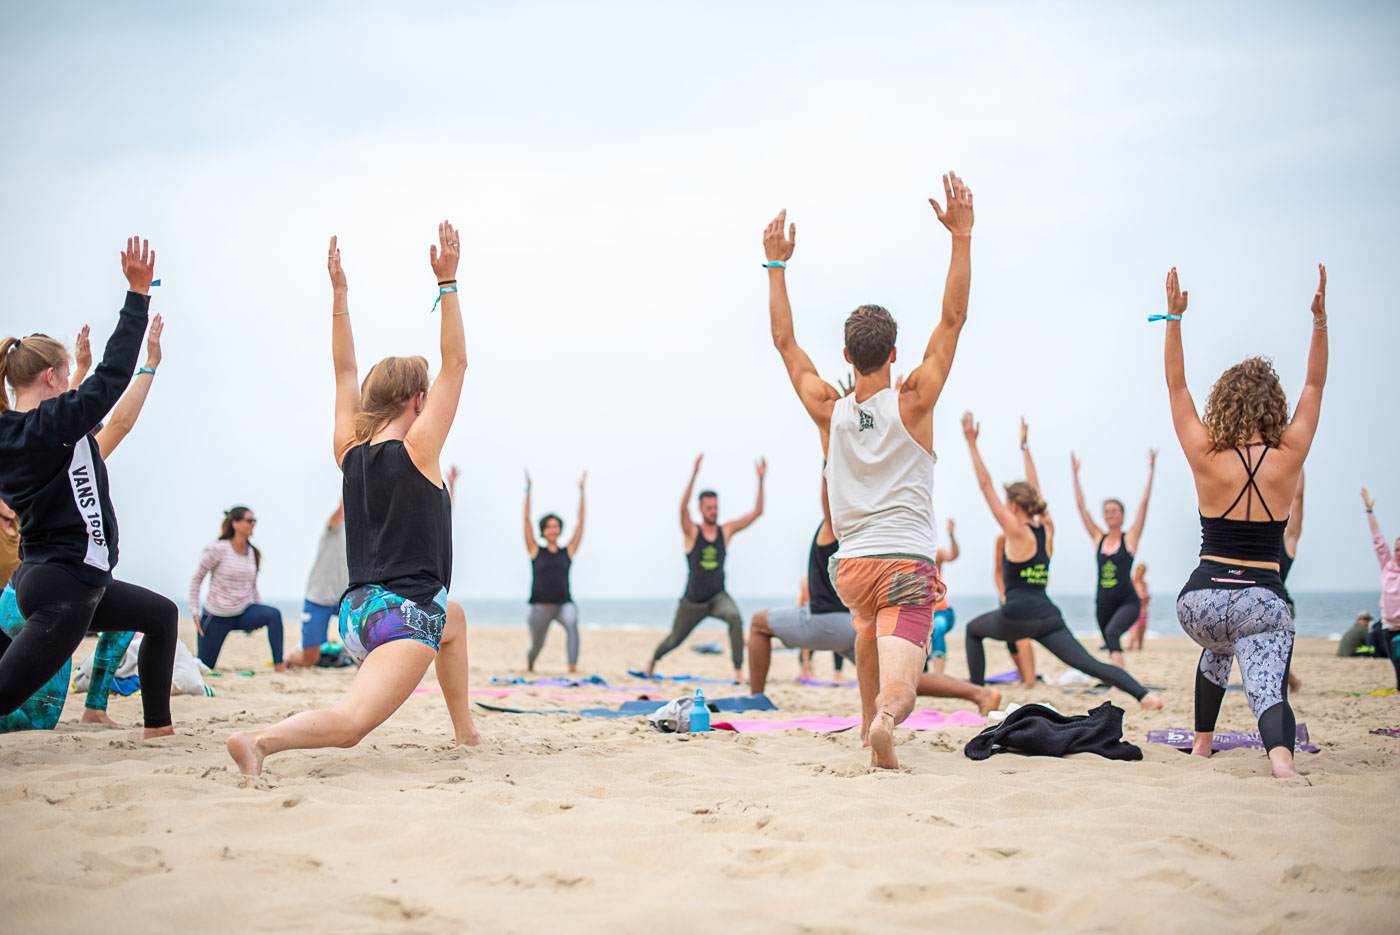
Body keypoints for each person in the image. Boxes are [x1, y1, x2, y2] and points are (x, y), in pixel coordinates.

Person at [227, 223, 480, 775]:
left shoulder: (349, 449)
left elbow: (344, 370)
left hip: (357, 614)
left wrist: (339, 296)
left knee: (453, 619)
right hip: (404, 616)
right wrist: (448, 283)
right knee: (351, 725)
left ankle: (466, 733)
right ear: (419, 399)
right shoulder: (419, 449)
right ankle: (260, 742)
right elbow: (456, 365)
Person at [762, 171, 974, 769]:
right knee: (904, 684)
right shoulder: (914, 401)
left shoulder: (827, 408)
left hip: (851, 568)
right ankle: (883, 720)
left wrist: (775, 267)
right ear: (895, 351)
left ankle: (863, 728)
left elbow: (785, 342)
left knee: (865, 630)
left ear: (848, 356)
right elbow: (953, 320)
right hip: (905, 560)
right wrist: (961, 237)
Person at [0, 237, 178, 740]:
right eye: (67, 380)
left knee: (161, 615)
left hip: (53, 579)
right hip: (64, 590)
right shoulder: (51, 427)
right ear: (53, 377)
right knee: (5, 698)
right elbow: (110, 378)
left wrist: (82, 372)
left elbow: (86, 406)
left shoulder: (20, 432)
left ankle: (158, 730)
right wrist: (137, 296)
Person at [1164, 264, 1326, 779]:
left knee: (1220, 647)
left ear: (1225, 403)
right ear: (1273, 406)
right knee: (1265, 679)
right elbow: (1315, 385)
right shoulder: (1290, 456)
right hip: (1261, 599)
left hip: (1200, 603)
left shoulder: (1206, 455)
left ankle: (1202, 745)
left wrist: (1173, 318)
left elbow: (1176, 387)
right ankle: (1281, 762)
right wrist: (1320, 324)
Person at [961, 413, 1161, 710]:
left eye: (1008, 504)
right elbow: (1036, 490)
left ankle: (980, 696)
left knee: (973, 631)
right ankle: (1144, 695)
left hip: (1016, 616)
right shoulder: (1046, 528)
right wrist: (1025, 448)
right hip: (1047, 617)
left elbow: (985, 485)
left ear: (1014, 506)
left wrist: (971, 443)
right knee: (1089, 663)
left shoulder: (1015, 532)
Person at [646, 454, 765, 683]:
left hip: (717, 596)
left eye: (716, 507)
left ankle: (738, 671)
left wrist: (760, 480)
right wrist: (694, 473)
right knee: (674, 640)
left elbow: (756, 512)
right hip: (692, 601)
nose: (714, 511)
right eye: (709, 508)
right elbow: (681, 508)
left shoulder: (726, 531)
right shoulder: (692, 532)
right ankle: (653, 659)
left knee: (734, 618)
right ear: (701, 509)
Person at [1070, 449, 1157, 670]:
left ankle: (1120, 681)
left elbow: (1144, 505)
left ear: (1122, 515)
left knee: (1112, 633)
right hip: (1102, 601)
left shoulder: (1130, 538)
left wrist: (1151, 471)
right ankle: (1116, 677)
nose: (1110, 514)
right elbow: (1082, 508)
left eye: (1114, 511)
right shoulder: (1099, 537)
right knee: (1110, 642)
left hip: (1127, 601)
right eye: (1107, 511)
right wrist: (1075, 474)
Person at [189, 506, 286, 672]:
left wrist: (258, 606)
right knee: (205, 667)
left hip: (242, 613)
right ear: (235, 524)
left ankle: (279, 666)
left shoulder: (253, 553)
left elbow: (252, 585)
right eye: (249, 520)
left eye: (254, 520)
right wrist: (195, 611)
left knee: (273, 614)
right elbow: (197, 578)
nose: (253, 524)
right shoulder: (218, 549)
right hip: (216, 615)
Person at [523, 470, 586, 673]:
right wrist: (529, 490)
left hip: (563, 603)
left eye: (556, 526)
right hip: (540, 607)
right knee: (537, 644)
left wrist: (582, 491)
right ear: (543, 531)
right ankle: (531, 661)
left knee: (572, 623)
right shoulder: (535, 550)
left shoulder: (567, 550)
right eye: (549, 527)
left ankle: (572, 667)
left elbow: (581, 523)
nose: (553, 530)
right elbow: (526, 520)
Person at [287, 502, 348, 668]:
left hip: (346, 597)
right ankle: (290, 658)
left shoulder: (365, 532)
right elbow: (341, 509)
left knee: (365, 647)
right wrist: (351, 481)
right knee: (310, 660)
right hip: (318, 597)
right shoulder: (334, 527)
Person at [1361, 488, 1400, 688]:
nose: (1399, 553)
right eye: (1397, 549)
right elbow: (1378, 541)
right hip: (1389, 629)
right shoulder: (1388, 566)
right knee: (1397, 671)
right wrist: (1369, 512)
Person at [928, 519, 959, 675]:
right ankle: (923, 673)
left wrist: (952, 536)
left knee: (937, 628)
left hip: (941, 612)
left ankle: (938, 675)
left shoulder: (935, 554)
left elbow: (953, 555)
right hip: (920, 613)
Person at [1126, 564, 1150, 651]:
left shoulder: (1144, 584)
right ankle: (1130, 646)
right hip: (1134, 608)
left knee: (1142, 629)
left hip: (1143, 609)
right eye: (1140, 572)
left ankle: (1139, 648)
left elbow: (1148, 597)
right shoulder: (1132, 582)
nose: (1141, 574)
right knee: (1133, 630)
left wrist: (1146, 599)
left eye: (1143, 572)